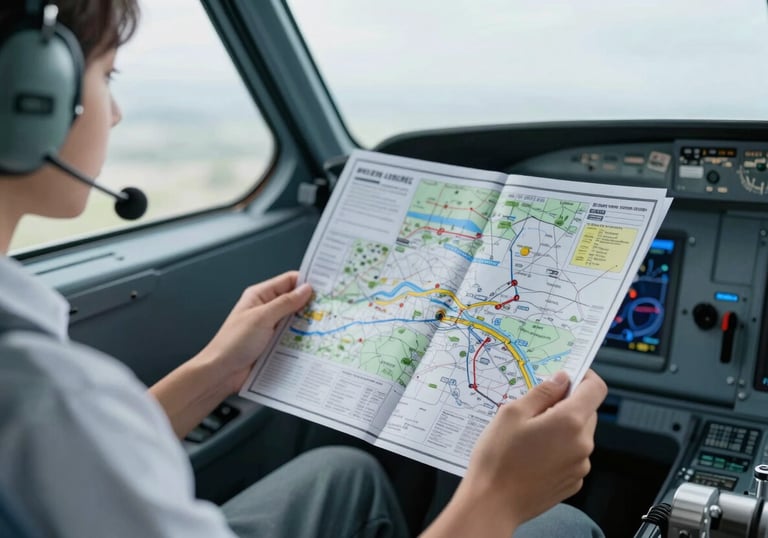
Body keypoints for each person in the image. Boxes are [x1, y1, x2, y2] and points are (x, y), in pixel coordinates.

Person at [0, 1, 608, 537]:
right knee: (558, 526)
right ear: (32, 98)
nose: (115, 113)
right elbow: (67, 436)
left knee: (339, 476)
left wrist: (216, 369)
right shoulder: (43, 392)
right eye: (107, 76)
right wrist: (496, 499)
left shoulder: (44, 399)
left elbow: (81, 463)